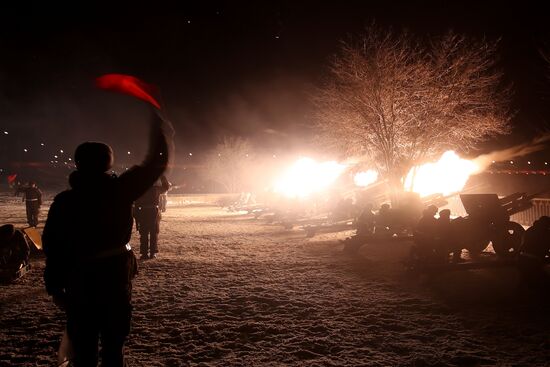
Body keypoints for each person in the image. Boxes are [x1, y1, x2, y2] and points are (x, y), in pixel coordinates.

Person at [42, 109, 173, 367]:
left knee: (83, 351)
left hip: (79, 282)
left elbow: (52, 247)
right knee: (113, 349)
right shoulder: (120, 191)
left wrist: (55, 288)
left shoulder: (64, 202)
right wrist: (159, 131)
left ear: (78, 163)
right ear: (108, 163)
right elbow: (156, 163)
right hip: (114, 280)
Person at [134, 175, 170, 260]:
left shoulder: (140, 190)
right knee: (153, 233)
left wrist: (136, 215)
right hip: (153, 212)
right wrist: (162, 177)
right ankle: (152, 252)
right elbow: (166, 187)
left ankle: (144, 253)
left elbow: (136, 203)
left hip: (143, 212)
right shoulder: (155, 189)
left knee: (144, 234)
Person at [517, 216, 550, 290]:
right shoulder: (546, 233)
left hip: (521, 259)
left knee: (527, 280)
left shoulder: (530, 230)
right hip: (533, 261)